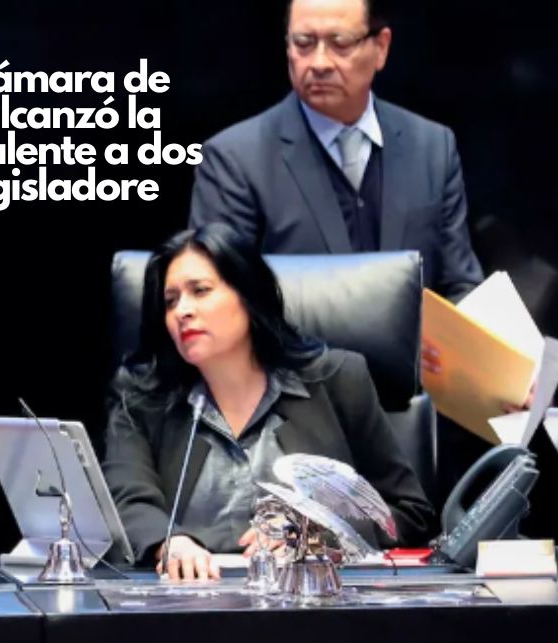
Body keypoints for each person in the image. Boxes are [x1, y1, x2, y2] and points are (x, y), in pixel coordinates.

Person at [103, 223, 436, 581]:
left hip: (313, 599)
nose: (182, 310)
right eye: (170, 301)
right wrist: (169, 543)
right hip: (189, 600)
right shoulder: (142, 398)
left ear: (249, 294)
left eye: (200, 291)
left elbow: (409, 513)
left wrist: (321, 533)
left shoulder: (337, 381)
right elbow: (126, 502)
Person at [188, 0, 483, 303]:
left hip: (419, 336)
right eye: (304, 43)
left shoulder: (432, 147)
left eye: (340, 43)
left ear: (381, 48)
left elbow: (461, 285)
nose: (319, 63)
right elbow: (217, 302)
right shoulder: (234, 160)